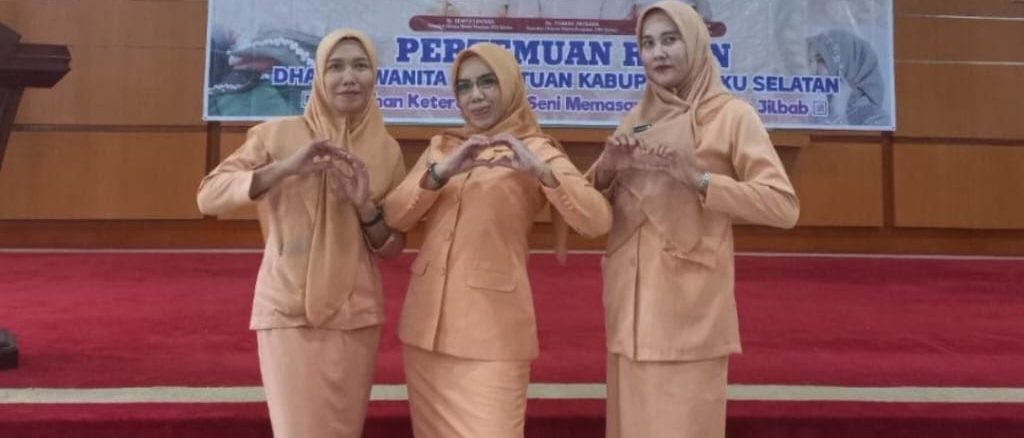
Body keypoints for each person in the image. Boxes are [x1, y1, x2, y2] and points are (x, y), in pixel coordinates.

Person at [588, 2, 800, 437]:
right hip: (629, 315)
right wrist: (606, 169)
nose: (658, 53)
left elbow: (783, 206)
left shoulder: (731, 116)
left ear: (697, 43)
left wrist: (698, 179)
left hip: (687, 314)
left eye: (670, 40)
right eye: (648, 43)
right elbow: (591, 208)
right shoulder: (637, 120)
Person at [383, 42, 612, 438]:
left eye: (488, 82)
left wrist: (541, 173)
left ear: (510, 85)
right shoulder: (443, 146)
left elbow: (596, 220)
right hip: (425, 330)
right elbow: (394, 215)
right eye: (465, 87)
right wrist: (439, 175)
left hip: (493, 335)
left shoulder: (536, 149)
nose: (476, 95)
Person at [196, 29, 407, 438]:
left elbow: (393, 247)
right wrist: (285, 168)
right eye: (336, 67)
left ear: (374, 75)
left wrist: (365, 208)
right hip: (287, 309)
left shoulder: (387, 151)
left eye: (360, 66)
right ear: (319, 76)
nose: (349, 77)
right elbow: (209, 197)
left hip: (356, 313)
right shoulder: (276, 135)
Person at [808, 29, 890, 126]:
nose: (813, 68)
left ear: (846, 63)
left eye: (820, 60)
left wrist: (838, 113)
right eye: (810, 60)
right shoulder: (818, 111)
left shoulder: (877, 118)